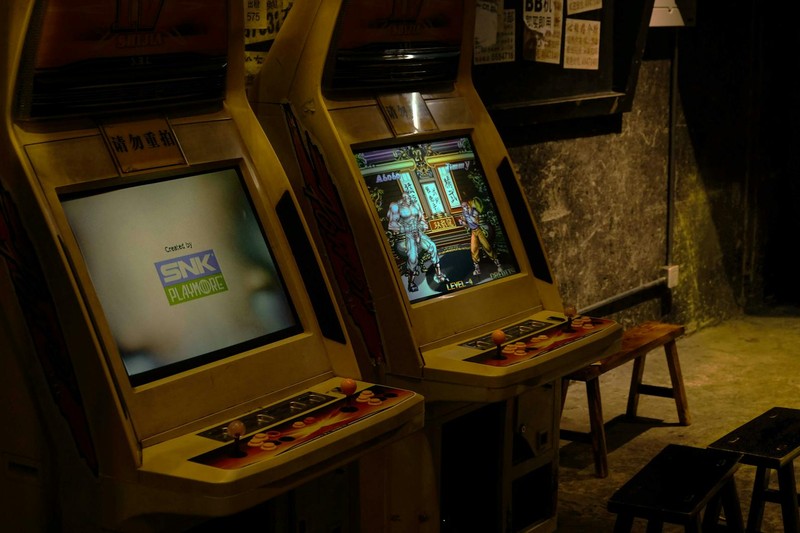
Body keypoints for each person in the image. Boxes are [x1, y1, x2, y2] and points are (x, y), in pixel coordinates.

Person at [386, 192, 448, 292]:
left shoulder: (415, 205)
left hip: (418, 232)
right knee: (413, 258)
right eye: (405, 197)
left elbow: (422, 220)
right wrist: (405, 229)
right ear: (401, 199)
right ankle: (411, 282)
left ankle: (439, 274)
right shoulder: (396, 207)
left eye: (408, 197)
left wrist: (422, 226)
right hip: (408, 234)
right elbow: (392, 225)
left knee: (432, 246)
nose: (407, 199)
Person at [459, 199, 501, 275]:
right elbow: (466, 224)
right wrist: (462, 223)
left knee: (487, 246)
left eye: (465, 206)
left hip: (479, 230)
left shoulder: (474, 211)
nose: (464, 207)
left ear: (468, 204)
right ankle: (477, 269)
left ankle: (498, 265)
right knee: (473, 249)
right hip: (473, 232)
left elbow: (477, 222)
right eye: (462, 206)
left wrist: (469, 216)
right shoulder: (464, 213)